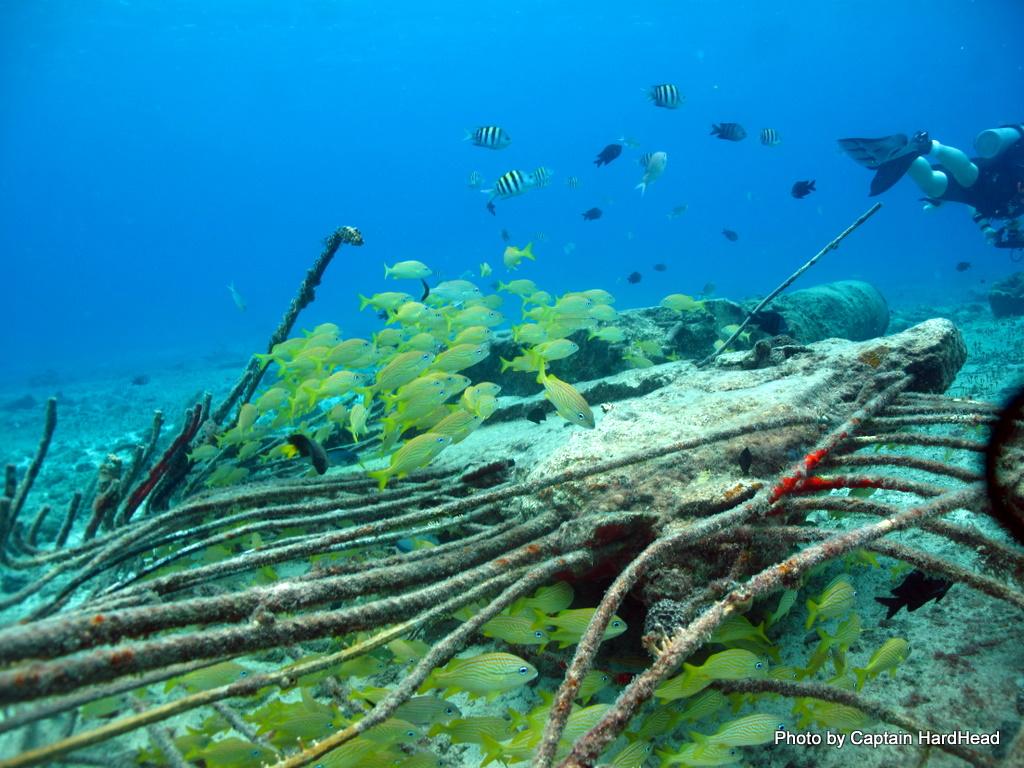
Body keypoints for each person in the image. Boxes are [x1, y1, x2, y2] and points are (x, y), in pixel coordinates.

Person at [838, 125, 1024, 249]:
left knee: (933, 186)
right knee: (968, 176)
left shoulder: (1007, 213)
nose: (1014, 231)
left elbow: (975, 207)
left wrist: (986, 230)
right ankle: (929, 146)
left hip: (980, 198)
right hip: (994, 180)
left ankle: (904, 153)